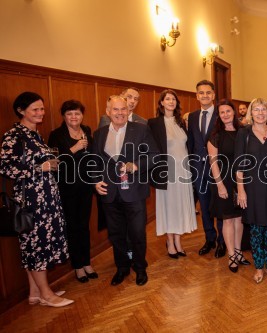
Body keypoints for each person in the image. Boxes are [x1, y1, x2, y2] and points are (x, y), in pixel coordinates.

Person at [0, 92, 73, 307]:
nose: (40, 113)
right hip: (31, 199)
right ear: (22, 111)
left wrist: (50, 163)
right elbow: (5, 166)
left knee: (41, 242)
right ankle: (47, 294)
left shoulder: (34, 134)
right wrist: (38, 167)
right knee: (36, 244)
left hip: (47, 197)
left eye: (42, 109)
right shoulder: (14, 135)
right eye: (35, 109)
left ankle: (35, 293)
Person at [92, 95, 158, 287]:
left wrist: (136, 165)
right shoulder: (99, 134)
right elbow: (95, 162)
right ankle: (121, 267)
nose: (120, 113)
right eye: (115, 109)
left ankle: (140, 267)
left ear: (128, 111)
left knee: (137, 233)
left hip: (134, 192)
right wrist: (95, 182)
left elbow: (154, 156)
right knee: (116, 233)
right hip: (109, 193)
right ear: (108, 112)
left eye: (123, 109)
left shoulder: (141, 130)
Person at [235, 98, 267, 284]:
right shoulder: (244, 133)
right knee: (255, 229)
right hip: (252, 187)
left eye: (264, 109)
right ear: (251, 113)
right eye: (257, 109)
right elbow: (239, 164)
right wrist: (241, 190)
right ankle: (258, 268)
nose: (261, 113)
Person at [48, 100, 97, 283]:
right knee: (73, 227)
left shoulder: (87, 130)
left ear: (82, 115)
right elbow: (55, 162)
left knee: (84, 226)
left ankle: (87, 262)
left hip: (85, 186)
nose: (74, 117)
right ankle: (77, 266)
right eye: (69, 114)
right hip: (67, 188)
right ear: (64, 116)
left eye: (77, 113)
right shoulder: (56, 135)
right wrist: (74, 148)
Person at [148, 89, 197, 259]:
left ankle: (178, 241)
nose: (171, 102)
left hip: (183, 171)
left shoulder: (181, 122)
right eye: (167, 99)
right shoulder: (154, 123)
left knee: (180, 206)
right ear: (161, 103)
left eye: (173, 99)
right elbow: (150, 150)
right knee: (169, 207)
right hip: (166, 172)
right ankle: (169, 241)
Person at [207, 100, 250, 273]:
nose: (225, 114)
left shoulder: (243, 132)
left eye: (228, 111)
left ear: (234, 112)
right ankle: (231, 255)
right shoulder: (215, 135)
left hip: (240, 180)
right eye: (222, 112)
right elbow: (213, 163)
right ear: (219, 115)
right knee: (227, 219)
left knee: (239, 217)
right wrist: (220, 186)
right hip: (223, 180)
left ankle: (239, 252)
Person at [187, 80, 225, 258]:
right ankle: (210, 238)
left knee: (219, 206)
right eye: (201, 93)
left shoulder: (222, 114)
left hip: (218, 168)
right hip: (199, 169)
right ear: (197, 96)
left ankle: (222, 242)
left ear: (213, 95)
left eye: (208, 92)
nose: (204, 95)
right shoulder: (192, 117)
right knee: (204, 206)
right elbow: (191, 144)